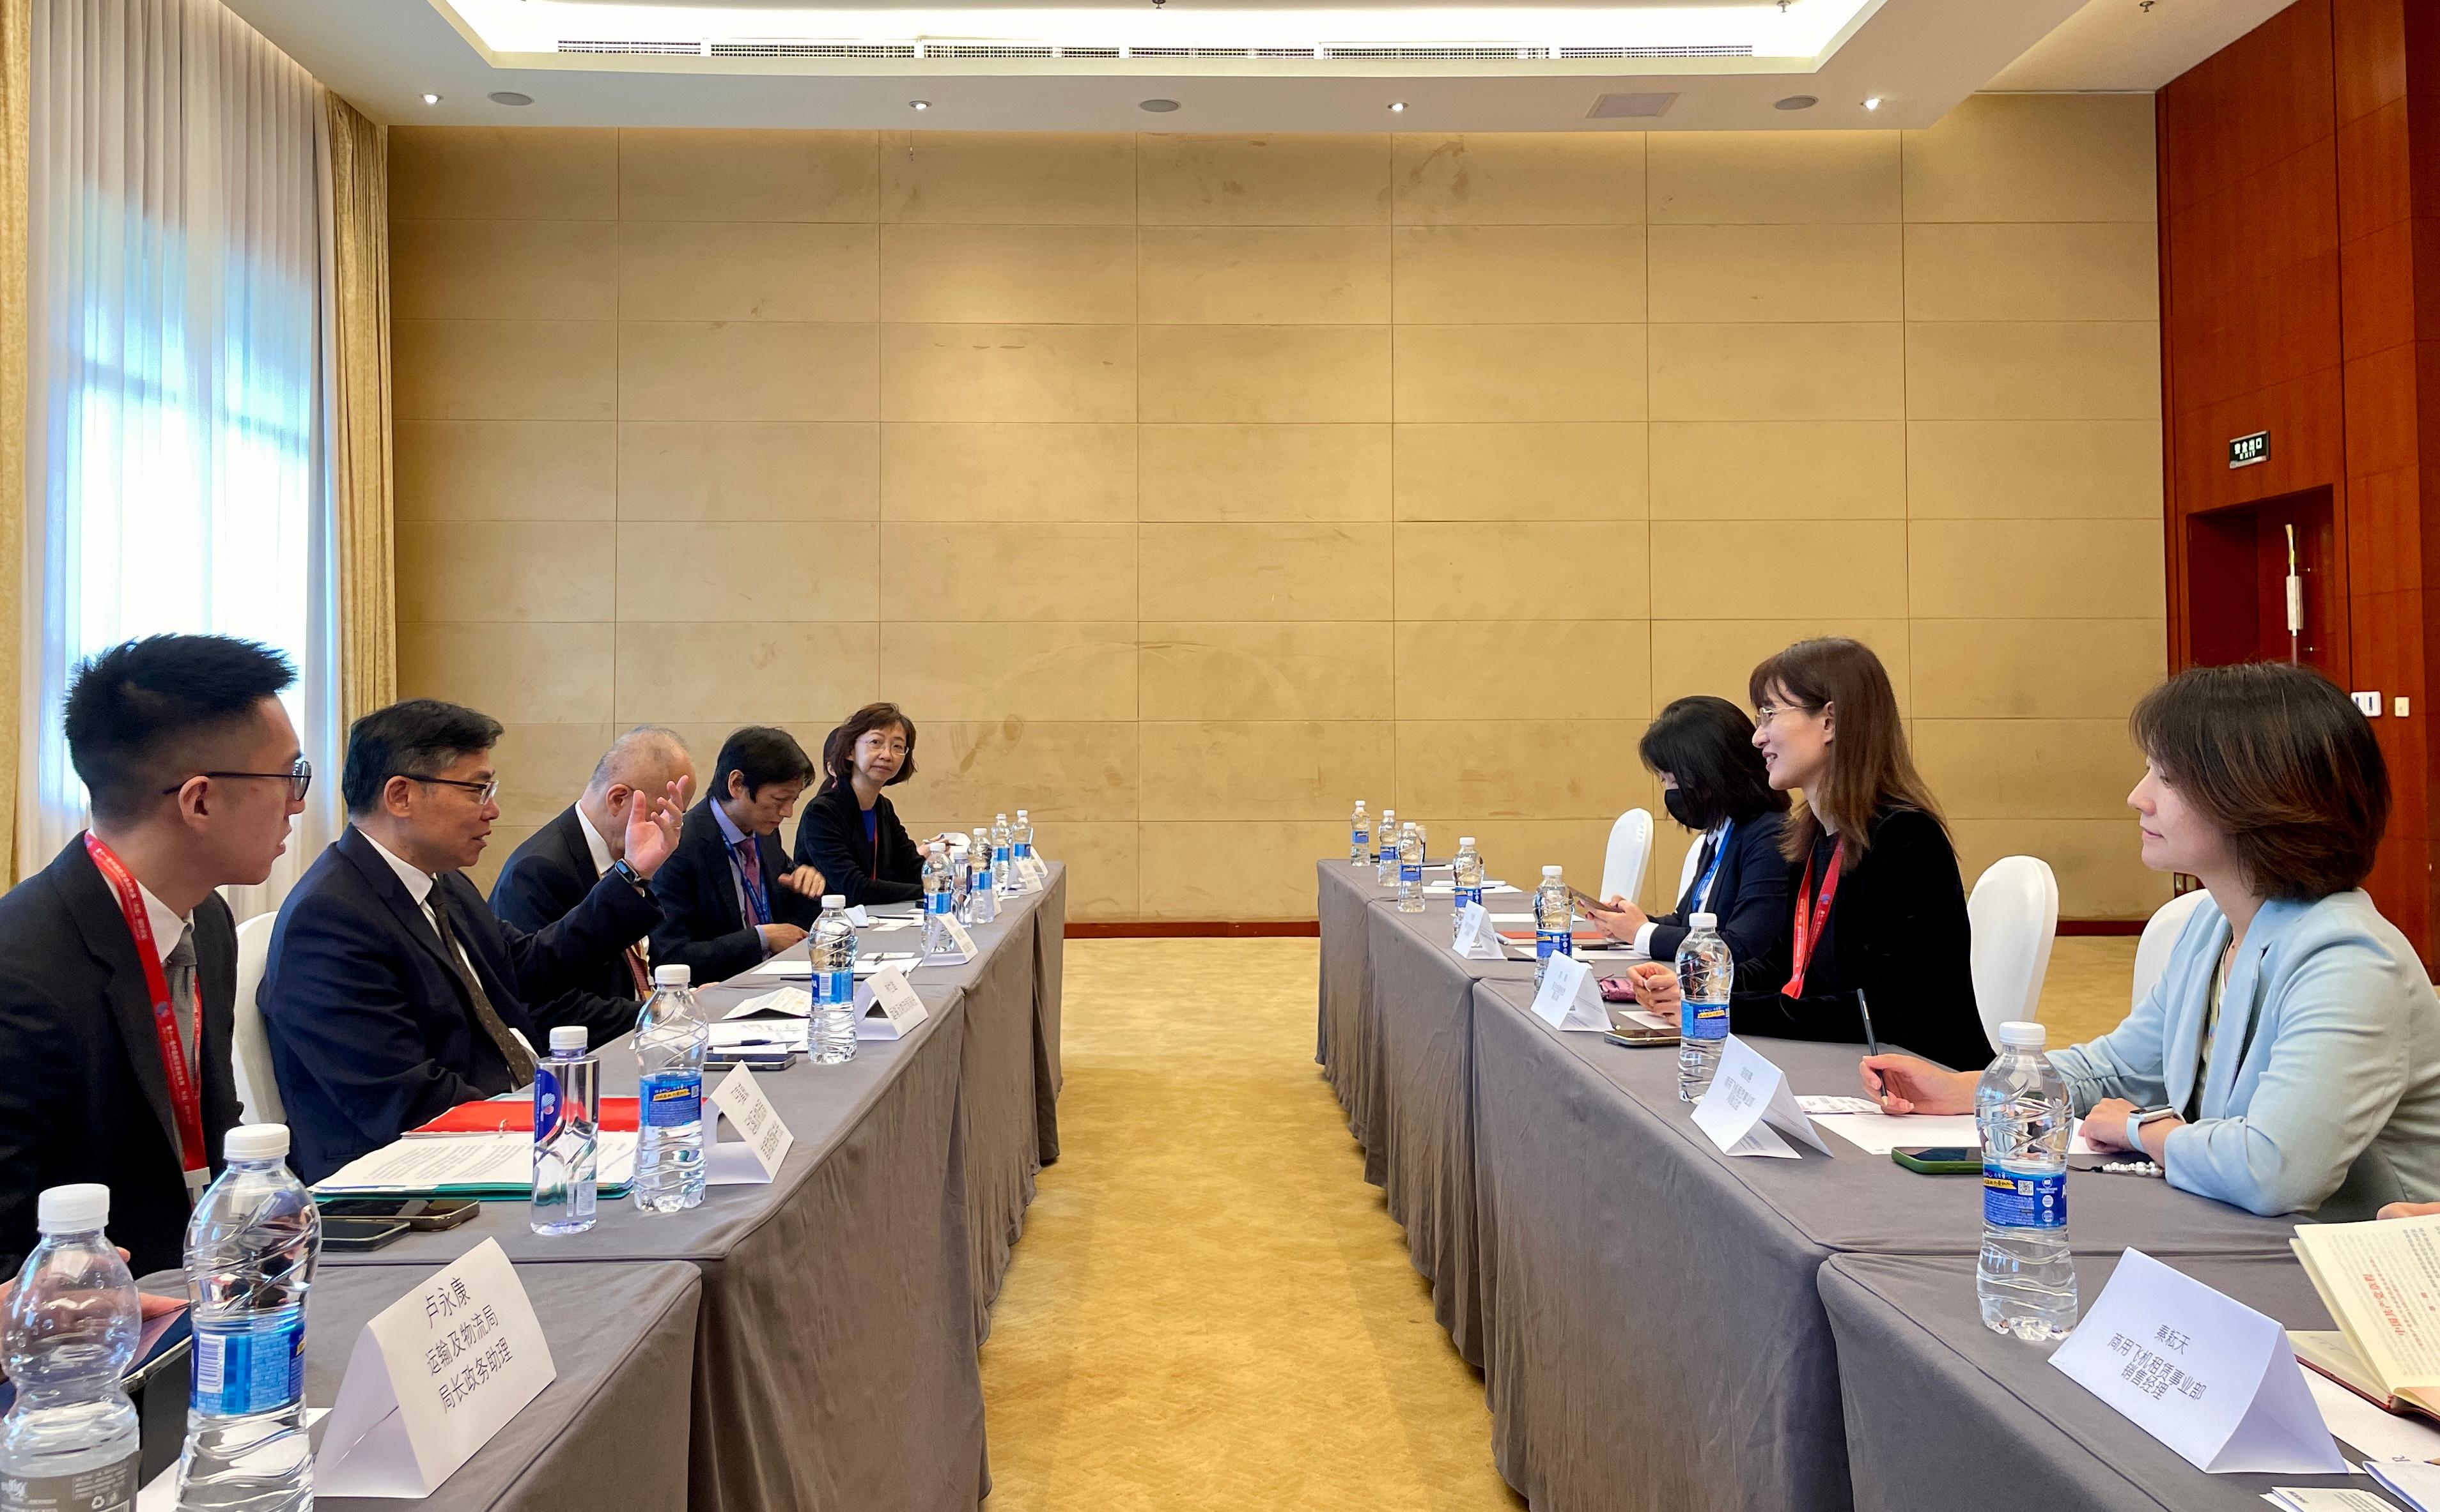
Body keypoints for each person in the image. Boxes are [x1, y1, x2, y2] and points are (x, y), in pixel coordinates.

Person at [1865, 662, 2440, 1221]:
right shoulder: (2215, 926)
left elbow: (2274, 1170)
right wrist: (1967, 1089)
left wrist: (2142, 1130)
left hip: (2354, 1277)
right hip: (2253, 1239)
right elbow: (2120, 1071)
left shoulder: (2350, 962)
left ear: (2257, 795)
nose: (2138, 797)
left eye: (2166, 778)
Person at [260, 700, 686, 1182]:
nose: (493, 809)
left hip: (504, 1130)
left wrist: (631, 874)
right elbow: (407, 1102)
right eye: (477, 789)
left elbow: (526, 966)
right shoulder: (330, 917)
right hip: (415, 1182)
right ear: (400, 796)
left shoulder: (441, 882)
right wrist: (558, 1119)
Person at [0, 636, 306, 1276]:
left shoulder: (209, 918)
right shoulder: (22, 969)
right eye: (290, 775)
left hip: (211, 1293)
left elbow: (213, 1132)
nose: (299, 803)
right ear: (199, 800)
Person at [1623, 638, 1988, 1072]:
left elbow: (1881, 1011)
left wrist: (1718, 1011)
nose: (1757, 737)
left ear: (1829, 721)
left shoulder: (1905, 839)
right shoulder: (1814, 836)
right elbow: (1784, 965)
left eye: (1769, 714)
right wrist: (1702, 989)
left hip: (1920, 1082)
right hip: (1843, 1063)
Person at [490, 725, 697, 1041]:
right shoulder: (537, 871)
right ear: (617, 800)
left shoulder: (626, 858)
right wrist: (661, 1013)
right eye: (664, 817)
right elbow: (548, 1011)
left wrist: (677, 998)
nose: (673, 832)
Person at [1583, 695, 1791, 988]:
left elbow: (1742, 947)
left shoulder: (1770, 837)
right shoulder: (1722, 833)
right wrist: (1630, 923)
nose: (1669, 792)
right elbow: (1687, 923)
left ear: (1708, 776)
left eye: (1671, 780)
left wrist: (1642, 933)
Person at [648, 726, 826, 985]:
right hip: (717, 993)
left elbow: (788, 921)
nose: (787, 812)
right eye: (779, 800)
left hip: (775, 985)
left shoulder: (765, 834)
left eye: (793, 800)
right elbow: (670, 957)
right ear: (736, 784)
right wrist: (760, 939)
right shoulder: (680, 846)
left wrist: (806, 886)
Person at [795, 703, 925, 906]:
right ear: (850, 751)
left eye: (898, 746)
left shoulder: (883, 808)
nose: (887, 755)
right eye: (876, 742)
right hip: (828, 929)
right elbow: (854, 888)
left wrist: (951, 879)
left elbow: (912, 868)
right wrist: (931, 889)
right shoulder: (822, 812)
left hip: (876, 922)